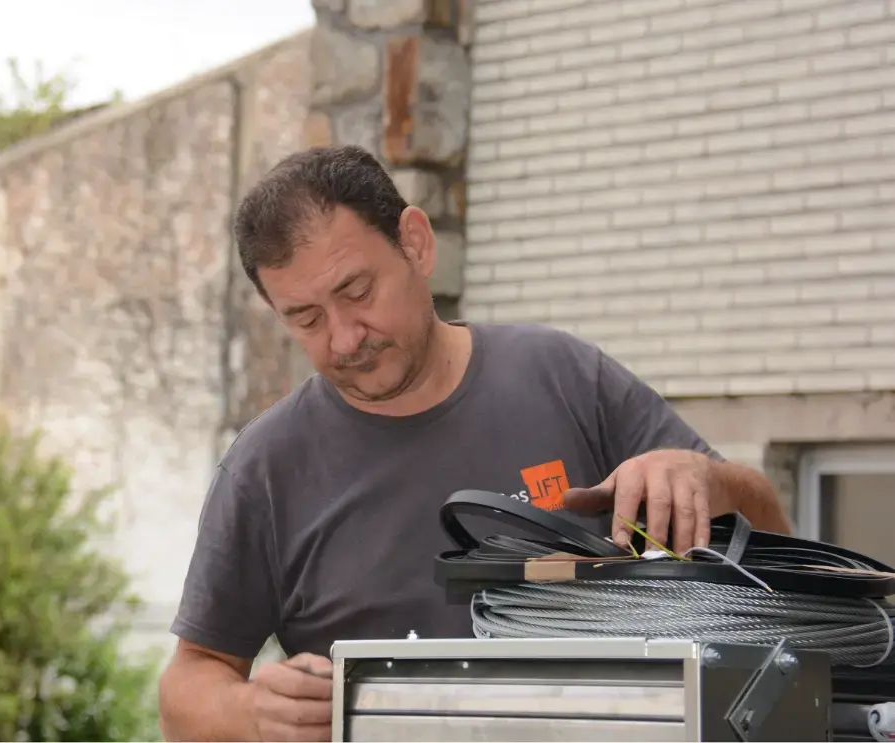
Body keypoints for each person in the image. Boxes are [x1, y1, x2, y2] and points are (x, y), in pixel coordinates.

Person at [157, 145, 792, 742]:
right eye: (307, 318)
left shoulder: (566, 378)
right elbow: (189, 682)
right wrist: (250, 711)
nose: (345, 338)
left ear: (415, 243)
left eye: (357, 292)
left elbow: (779, 555)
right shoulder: (266, 467)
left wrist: (712, 481)